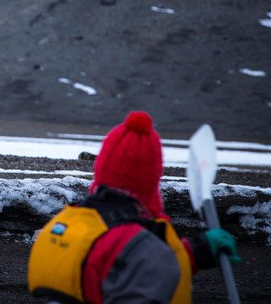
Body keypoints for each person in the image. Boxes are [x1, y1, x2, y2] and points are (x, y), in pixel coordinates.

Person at [28, 111, 241, 304]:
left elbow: (113, 265)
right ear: (150, 178)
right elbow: (141, 263)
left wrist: (192, 253)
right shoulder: (143, 250)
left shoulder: (69, 222)